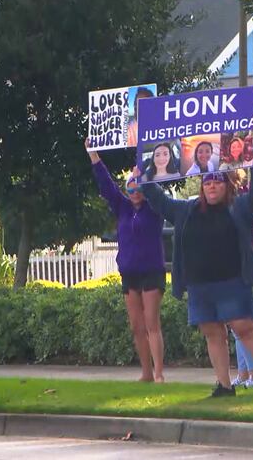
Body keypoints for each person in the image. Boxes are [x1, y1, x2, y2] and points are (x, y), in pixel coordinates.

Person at [139, 163, 253, 397]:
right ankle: (224, 385)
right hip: (200, 286)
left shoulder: (240, 207)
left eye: (217, 181)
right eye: (207, 182)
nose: (212, 186)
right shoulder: (187, 210)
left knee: (245, 328)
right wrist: (144, 178)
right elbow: (161, 203)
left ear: (227, 185)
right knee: (213, 333)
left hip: (233, 282)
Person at [85, 139, 165, 383]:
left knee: (152, 323)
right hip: (129, 272)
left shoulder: (154, 208)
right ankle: (146, 373)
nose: (135, 192)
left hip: (151, 271)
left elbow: (157, 188)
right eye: (130, 188)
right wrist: (94, 155)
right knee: (137, 326)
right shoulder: (122, 207)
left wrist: (144, 174)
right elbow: (106, 186)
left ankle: (159, 373)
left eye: (139, 188)